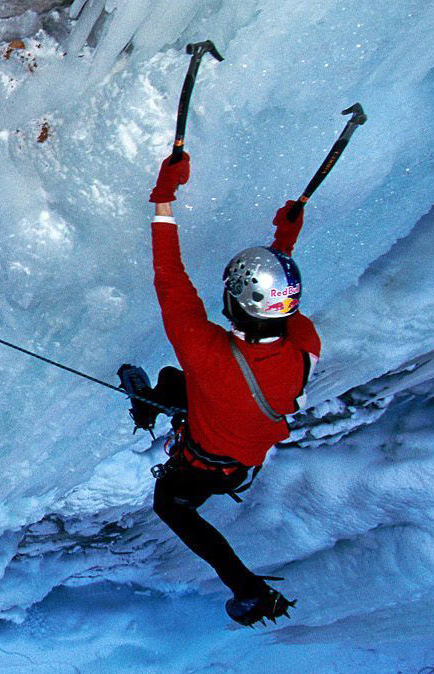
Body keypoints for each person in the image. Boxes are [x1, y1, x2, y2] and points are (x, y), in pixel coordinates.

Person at [122, 151, 320, 626]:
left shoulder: (204, 349)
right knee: (176, 382)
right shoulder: (302, 350)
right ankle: (153, 403)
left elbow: (171, 276)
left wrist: (164, 197)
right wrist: (282, 249)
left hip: (202, 460)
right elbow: (276, 310)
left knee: (169, 504)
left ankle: (248, 588)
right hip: (234, 461)